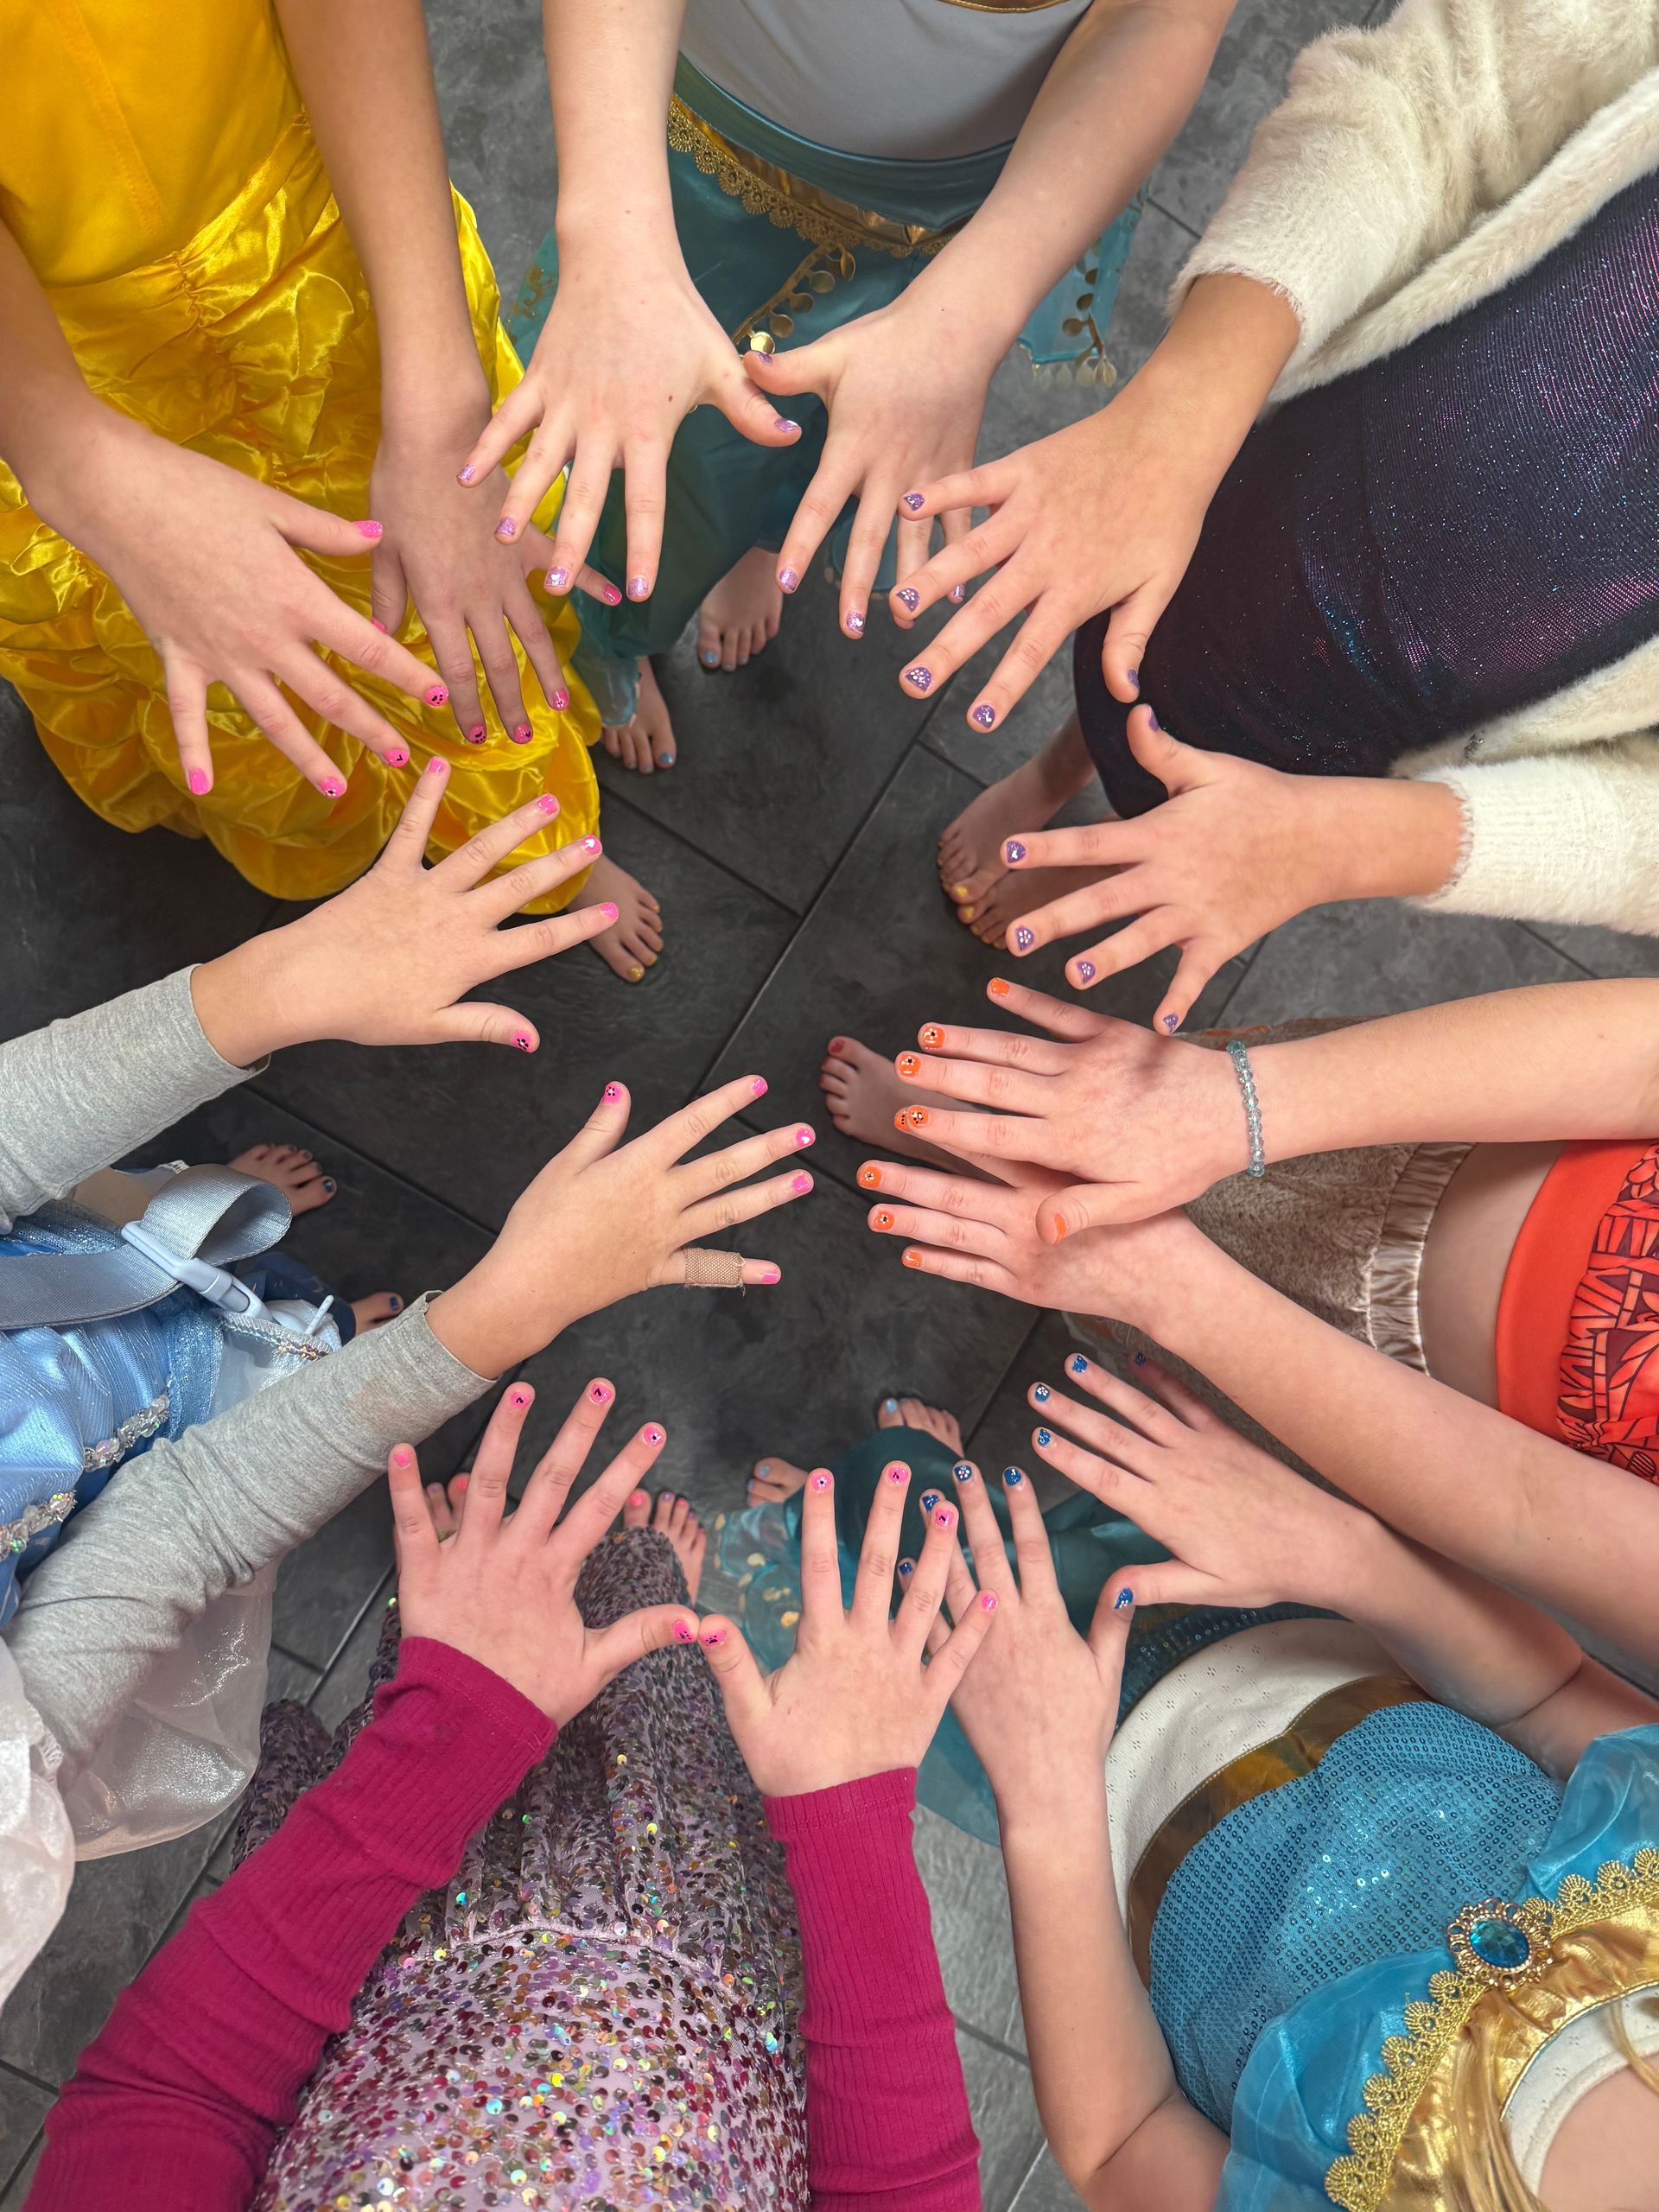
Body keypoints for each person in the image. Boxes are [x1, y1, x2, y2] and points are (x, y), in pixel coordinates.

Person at [1, 766, 813, 1998]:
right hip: (143, 1430)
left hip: (62, 1282)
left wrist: (269, 990)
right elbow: (185, 1516)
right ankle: (323, 1334)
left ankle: (282, 1297)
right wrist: (498, 1311)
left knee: (174, 1247)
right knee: (273, 1353)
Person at [24, 1389, 993, 2211]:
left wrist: (451, 1723)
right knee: (658, 1721)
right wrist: (850, 1823)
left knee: (524, 1667)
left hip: (404, 1954)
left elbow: (172, 2098)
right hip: (709, 1960)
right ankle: (642, 1583)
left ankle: (540, 1607)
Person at [885, 0, 1659, 1010]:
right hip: (1303, 470)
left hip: (1413, 715)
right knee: (1144, 628)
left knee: (1216, 801)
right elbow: (1446, 91)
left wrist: (1342, 841)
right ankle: (1054, 769)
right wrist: (1182, 411)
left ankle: (1117, 837)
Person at [0, 0, 663, 982]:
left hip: (308, 234)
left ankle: (540, 844)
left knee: (455, 597)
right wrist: (78, 461)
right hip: (47, 353)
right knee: (201, 650)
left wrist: (436, 396)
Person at [936, 1365, 1659, 2208]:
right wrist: (1342, 1553)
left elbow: (1122, 2138)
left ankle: (903, 1495)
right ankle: (945, 1500)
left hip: (1098, 1804)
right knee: (1086, 1537)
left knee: (942, 1615)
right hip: (1309, 1629)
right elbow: (1552, 1694)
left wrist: (1048, 1806)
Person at [461, 0, 1239, 773]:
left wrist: (968, 319)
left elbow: (1165, 14)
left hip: (967, 205)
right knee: (640, 439)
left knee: (844, 426)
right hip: (701, 148)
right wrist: (613, 233)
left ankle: (757, 546)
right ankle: (612, 636)